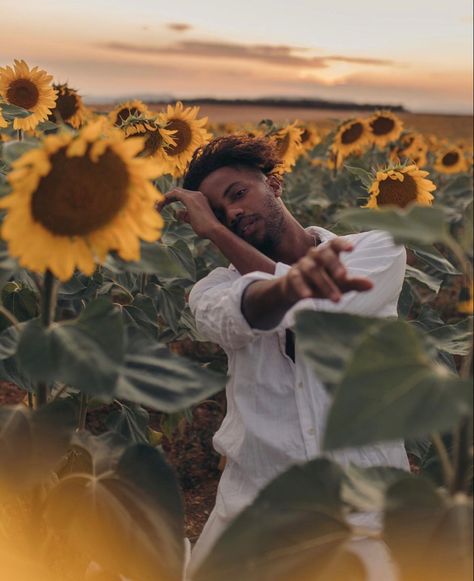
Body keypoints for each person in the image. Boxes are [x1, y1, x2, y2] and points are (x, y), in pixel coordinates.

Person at [158, 135, 410, 580]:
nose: (232, 214)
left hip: (362, 518)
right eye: (217, 214)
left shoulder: (374, 249)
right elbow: (249, 310)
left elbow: (316, 309)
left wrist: (216, 232)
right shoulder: (212, 290)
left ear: (274, 184)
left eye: (238, 195)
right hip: (254, 515)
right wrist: (224, 238)